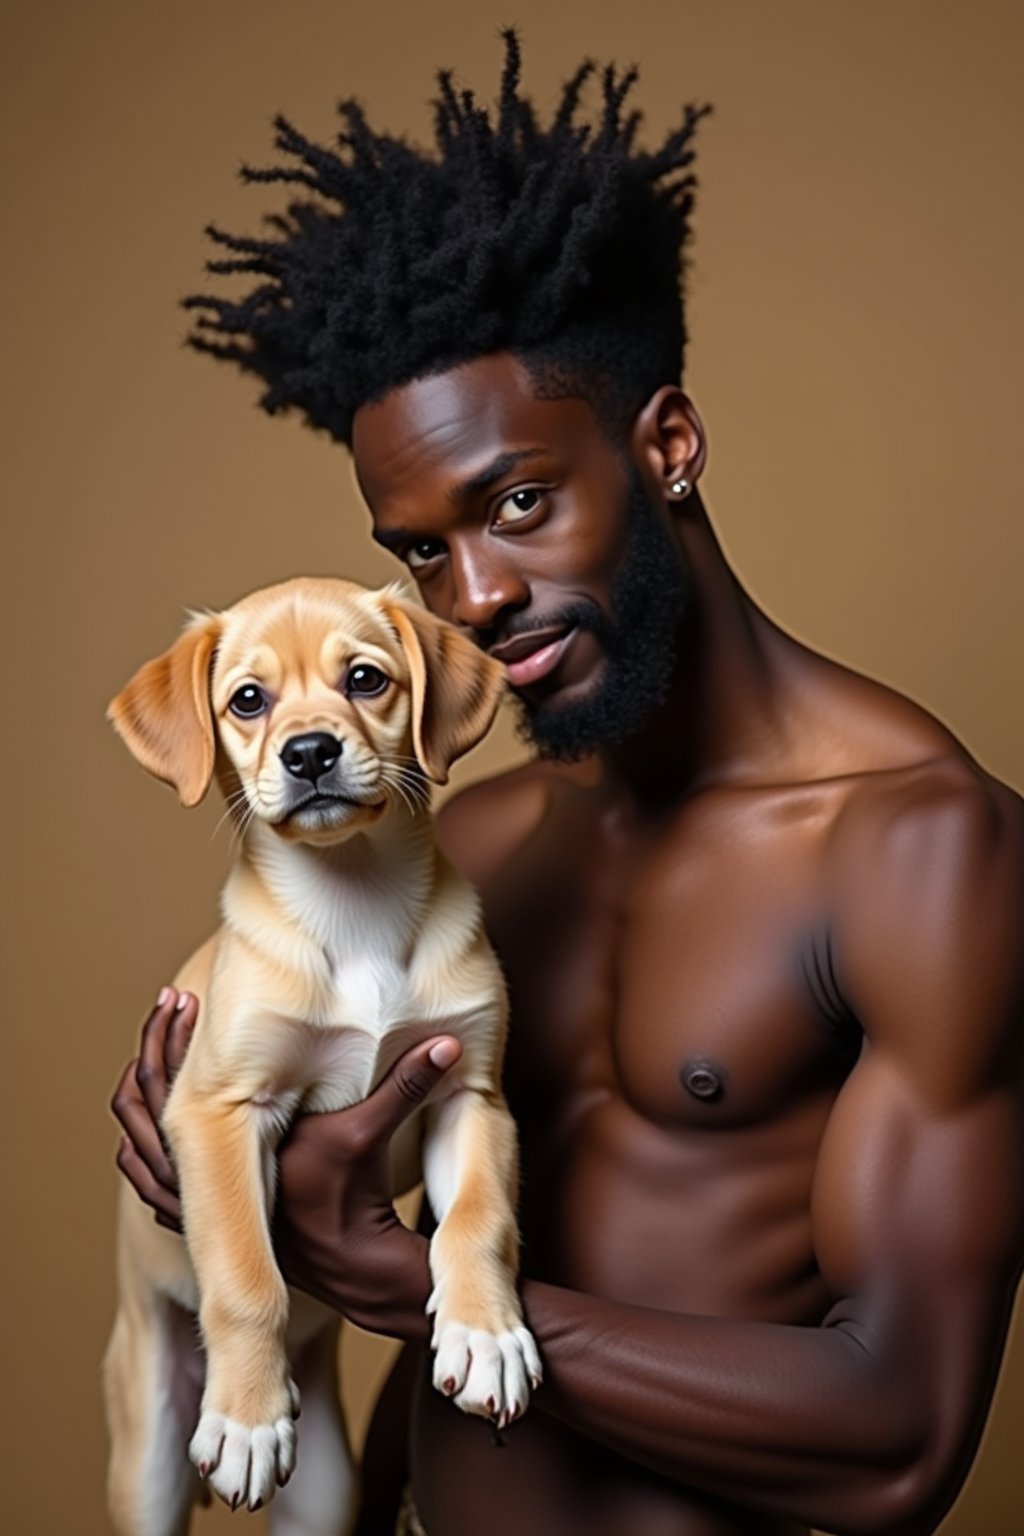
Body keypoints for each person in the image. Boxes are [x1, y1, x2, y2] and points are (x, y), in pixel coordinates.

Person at [111, 32, 1024, 1536]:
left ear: (664, 444)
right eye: (420, 548)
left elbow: (899, 1439)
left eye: (518, 504)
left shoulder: (916, 848)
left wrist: (400, 1279)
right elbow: (440, 1255)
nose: (471, 595)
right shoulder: (479, 837)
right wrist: (238, 1165)